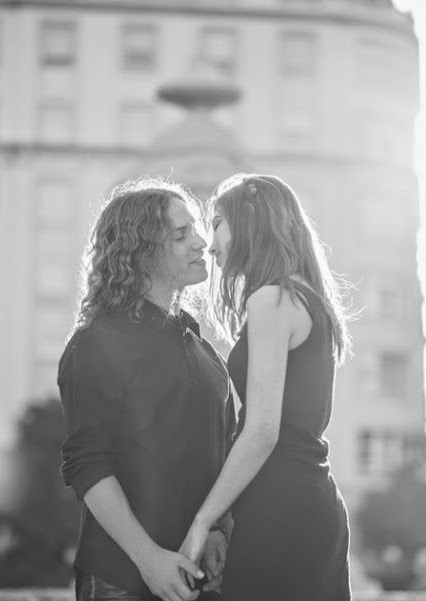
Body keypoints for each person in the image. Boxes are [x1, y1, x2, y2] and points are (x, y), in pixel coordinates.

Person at [179, 173, 354, 601]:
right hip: (310, 501)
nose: (211, 243)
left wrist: (204, 521)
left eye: (217, 222)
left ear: (251, 220)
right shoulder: (308, 297)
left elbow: (260, 431)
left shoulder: (272, 300)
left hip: (283, 509)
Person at [58, 178, 235, 601]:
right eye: (181, 234)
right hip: (121, 577)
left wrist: (215, 531)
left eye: (196, 229)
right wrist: (148, 558)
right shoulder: (95, 342)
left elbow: (219, 451)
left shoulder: (200, 346)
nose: (200, 243)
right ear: (141, 252)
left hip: (196, 574)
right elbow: (89, 464)